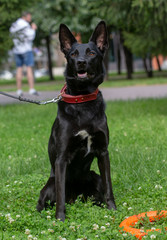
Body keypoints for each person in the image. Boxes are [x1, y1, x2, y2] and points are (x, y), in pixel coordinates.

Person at [10, 11, 38, 96]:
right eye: (29, 16)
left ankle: (19, 90)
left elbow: (11, 35)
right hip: (26, 49)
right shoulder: (25, 25)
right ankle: (31, 89)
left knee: (19, 69)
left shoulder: (14, 24)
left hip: (17, 49)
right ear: (25, 16)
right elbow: (31, 37)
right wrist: (33, 29)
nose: (30, 18)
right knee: (29, 69)